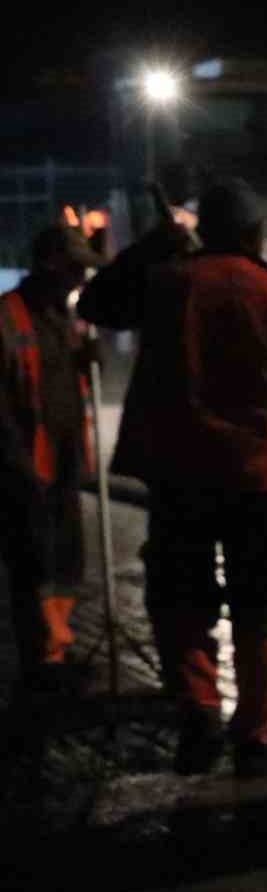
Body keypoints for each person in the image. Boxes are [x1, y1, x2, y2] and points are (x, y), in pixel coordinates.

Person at [78, 179, 267, 778]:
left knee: (181, 600)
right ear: (254, 232)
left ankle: (199, 718)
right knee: (264, 609)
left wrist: (151, 246)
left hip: (179, 473)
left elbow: (96, 305)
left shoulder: (166, 283)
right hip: (262, 479)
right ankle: (257, 736)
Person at [1, 223, 103, 697]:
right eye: (73, 267)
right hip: (23, 467)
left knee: (66, 562)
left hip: (63, 462)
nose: (79, 277)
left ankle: (56, 652)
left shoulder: (67, 318)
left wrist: (89, 359)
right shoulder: (8, 318)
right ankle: (39, 662)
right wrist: (15, 463)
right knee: (35, 566)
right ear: (48, 266)